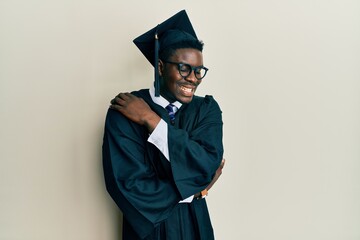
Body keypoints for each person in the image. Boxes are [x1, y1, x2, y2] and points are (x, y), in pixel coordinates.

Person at [102, 10, 225, 240]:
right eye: (184, 68)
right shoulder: (124, 110)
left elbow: (207, 163)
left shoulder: (206, 110)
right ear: (160, 67)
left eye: (199, 71)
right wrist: (195, 191)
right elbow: (127, 185)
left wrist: (151, 120)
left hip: (195, 225)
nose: (193, 78)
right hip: (150, 231)